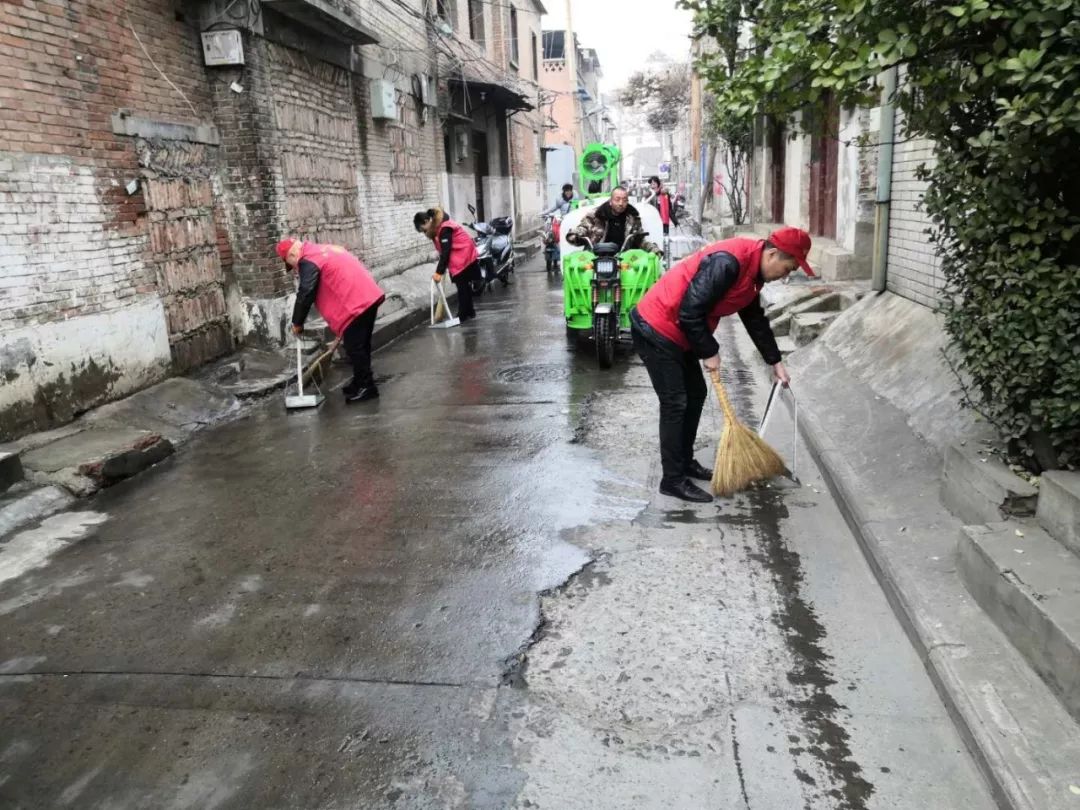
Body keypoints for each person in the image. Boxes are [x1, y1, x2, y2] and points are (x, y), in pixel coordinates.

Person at [630, 227, 817, 502]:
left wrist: (774, 361)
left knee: (696, 394)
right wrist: (709, 351)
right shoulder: (728, 262)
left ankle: (685, 462)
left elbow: (754, 319)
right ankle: (672, 479)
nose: (785, 276)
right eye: (787, 268)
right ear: (773, 254)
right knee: (675, 402)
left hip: (681, 333)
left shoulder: (755, 275)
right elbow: (690, 310)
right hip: (656, 327)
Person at [278, 237, 386, 403]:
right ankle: (360, 382)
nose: (294, 269)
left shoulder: (307, 260)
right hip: (367, 296)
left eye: (290, 264)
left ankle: (367, 387)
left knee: (355, 348)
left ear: (292, 254)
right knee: (360, 345)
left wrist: (297, 322)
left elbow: (306, 292)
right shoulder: (322, 249)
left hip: (355, 304)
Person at [413, 207, 480, 322]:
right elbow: (444, 251)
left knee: (462, 287)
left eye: (423, 230)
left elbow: (446, 252)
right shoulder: (438, 228)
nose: (424, 233)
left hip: (463, 255)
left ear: (426, 221)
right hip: (462, 255)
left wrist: (439, 272)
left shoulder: (443, 228)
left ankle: (462, 315)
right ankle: (470, 312)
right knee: (465, 286)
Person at [565, 187, 662, 254]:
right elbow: (583, 228)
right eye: (617, 199)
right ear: (610, 201)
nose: (621, 203)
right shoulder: (596, 215)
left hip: (624, 260)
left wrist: (652, 248)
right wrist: (574, 235)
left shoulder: (633, 218)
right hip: (596, 258)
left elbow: (639, 239)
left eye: (624, 200)